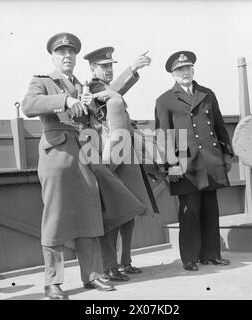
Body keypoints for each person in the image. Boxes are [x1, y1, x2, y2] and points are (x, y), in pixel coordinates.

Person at [21, 32, 145, 299]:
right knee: (55, 218)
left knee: (90, 213)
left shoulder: (83, 86)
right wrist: (64, 101)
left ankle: (93, 275)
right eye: (61, 52)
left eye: (71, 52)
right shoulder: (42, 81)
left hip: (85, 152)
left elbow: (109, 103)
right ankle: (52, 282)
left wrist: (88, 106)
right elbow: (29, 106)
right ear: (53, 57)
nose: (67, 56)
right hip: (56, 155)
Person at [83, 47, 159, 281]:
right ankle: (110, 266)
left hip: (127, 159)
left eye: (110, 66)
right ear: (92, 68)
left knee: (129, 215)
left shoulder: (106, 90)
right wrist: (132, 69)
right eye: (104, 66)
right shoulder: (92, 88)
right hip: (111, 159)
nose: (108, 70)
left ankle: (124, 261)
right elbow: (112, 94)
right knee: (114, 216)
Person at [154, 51, 233, 271]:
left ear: (193, 69)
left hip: (210, 161)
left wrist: (227, 154)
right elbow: (163, 135)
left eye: (187, 68)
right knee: (189, 213)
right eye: (180, 70)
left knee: (210, 209)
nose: (185, 72)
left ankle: (211, 254)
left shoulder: (207, 94)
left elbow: (219, 126)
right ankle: (189, 258)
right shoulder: (165, 100)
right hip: (184, 166)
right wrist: (171, 166)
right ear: (173, 74)